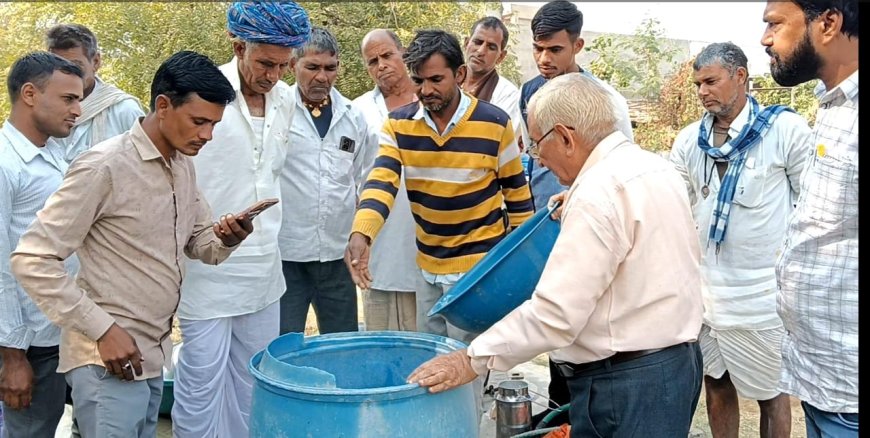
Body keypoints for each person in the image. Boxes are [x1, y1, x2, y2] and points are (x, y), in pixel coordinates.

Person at [408, 72, 704, 438]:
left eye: (535, 146)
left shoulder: (598, 194)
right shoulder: (654, 168)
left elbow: (555, 315)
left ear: (565, 136)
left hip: (625, 382)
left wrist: (472, 359)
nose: (540, 161)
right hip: (677, 366)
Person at [10, 50, 253, 438]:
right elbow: (32, 258)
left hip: (151, 355)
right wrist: (104, 330)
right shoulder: (104, 166)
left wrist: (228, 237)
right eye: (199, 122)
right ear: (162, 106)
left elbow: (199, 242)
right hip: (107, 359)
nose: (207, 135)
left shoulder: (181, 165)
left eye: (214, 125)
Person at [171, 3, 310, 437]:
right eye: (265, 63)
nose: (274, 75)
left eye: (284, 65)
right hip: (205, 266)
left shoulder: (287, 100)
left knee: (255, 386)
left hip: (265, 270)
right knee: (200, 386)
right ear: (238, 47)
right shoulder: (201, 93)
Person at [670, 42, 812, 438]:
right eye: (698, 84)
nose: (702, 92)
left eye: (711, 81)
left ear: (740, 77)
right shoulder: (688, 141)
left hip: (762, 295)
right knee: (716, 384)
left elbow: (811, 208)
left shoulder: (785, 131)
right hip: (707, 293)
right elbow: (675, 203)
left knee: (772, 394)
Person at [518, 0, 635, 420]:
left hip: (593, 229)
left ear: (577, 45)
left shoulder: (607, 101)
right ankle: (558, 422)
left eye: (555, 50)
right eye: (538, 49)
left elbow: (625, 168)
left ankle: (588, 418)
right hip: (546, 229)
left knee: (589, 331)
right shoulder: (531, 94)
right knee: (555, 333)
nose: (545, 59)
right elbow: (528, 158)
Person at [761, 1, 859, 436]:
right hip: (824, 382)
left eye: (775, 25)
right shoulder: (835, 106)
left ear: (829, 23)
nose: (766, 39)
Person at [0, 51, 83, 438]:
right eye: (68, 99)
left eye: (79, 99)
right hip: (26, 343)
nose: (78, 110)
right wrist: (12, 356)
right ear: (30, 94)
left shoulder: (53, 154)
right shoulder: (6, 164)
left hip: (57, 331)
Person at [279, 26, 377, 335]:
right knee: (284, 345)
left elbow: (366, 178)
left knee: (342, 344)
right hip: (285, 257)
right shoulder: (277, 111)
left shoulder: (354, 117)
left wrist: (361, 234)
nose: (322, 76)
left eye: (330, 68)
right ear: (293, 65)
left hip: (337, 257)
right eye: (313, 67)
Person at [352, 29, 420, 332]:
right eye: (372, 61)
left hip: (426, 242)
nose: (381, 65)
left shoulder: (430, 99)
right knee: (381, 338)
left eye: (387, 55)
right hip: (376, 242)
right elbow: (351, 174)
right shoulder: (358, 110)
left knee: (426, 341)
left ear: (403, 53)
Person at [46, 23, 144, 163]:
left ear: (96, 62)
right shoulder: (43, 109)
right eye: (58, 67)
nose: (66, 75)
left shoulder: (124, 111)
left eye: (75, 66)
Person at [461, 16, 524, 147]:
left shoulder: (508, 95)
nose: (481, 51)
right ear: (466, 43)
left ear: (501, 56)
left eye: (491, 47)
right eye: (477, 42)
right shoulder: (447, 82)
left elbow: (497, 145)